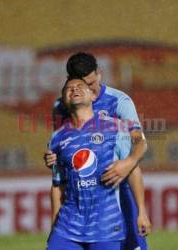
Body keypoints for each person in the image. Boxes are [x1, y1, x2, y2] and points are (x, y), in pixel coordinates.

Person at [45, 52, 151, 250]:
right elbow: (61, 146)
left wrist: (126, 164)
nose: (91, 90)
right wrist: (52, 157)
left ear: (99, 74)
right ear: (70, 81)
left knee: (134, 245)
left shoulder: (119, 101)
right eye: (85, 84)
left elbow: (140, 142)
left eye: (93, 83)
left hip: (118, 186)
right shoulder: (61, 106)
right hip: (81, 195)